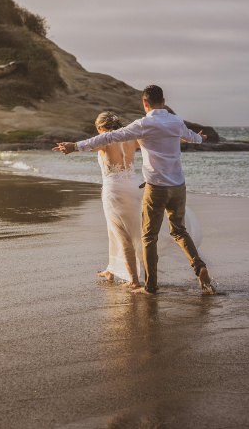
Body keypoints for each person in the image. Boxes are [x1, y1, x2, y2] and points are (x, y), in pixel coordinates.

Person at [54, 85, 216, 295]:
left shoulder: (142, 125)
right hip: (178, 187)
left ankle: (148, 286)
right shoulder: (175, 122)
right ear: (163, 101)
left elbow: (107, 138)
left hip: (154, 188)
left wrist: (75, 146)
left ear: (144, 103)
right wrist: (200, 138)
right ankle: (199, 266)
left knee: (148, 237)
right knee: (179, 231)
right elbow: (188, 137)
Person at [90, 111, 144, 288]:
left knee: (123, 234)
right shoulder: (130, 139)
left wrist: (71, 146)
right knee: (116, 230)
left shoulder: (104, 139)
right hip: (134, 187)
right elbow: (155, 142)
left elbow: (88, 146)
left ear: (101, 128)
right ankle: (110, 270)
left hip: (115, 190)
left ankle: (134, 280)